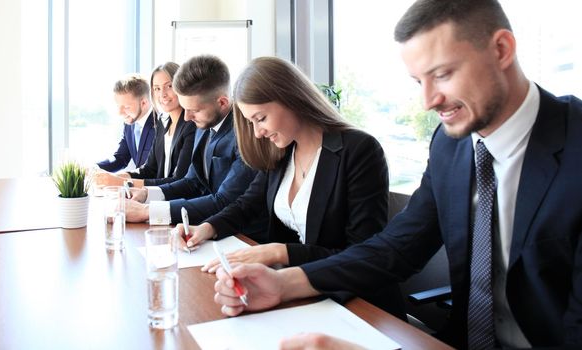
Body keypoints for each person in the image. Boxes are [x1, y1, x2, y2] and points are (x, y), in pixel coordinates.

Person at [214, 0, 582, 349]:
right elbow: (397, 247)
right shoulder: (451, 145)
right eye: (417, 81)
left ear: (501, 49)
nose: (428, 101)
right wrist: (283, 283)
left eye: (442, 75)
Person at [176, 57, 405, 319]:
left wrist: (278, 252)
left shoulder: (359, 150)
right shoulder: (283, 150)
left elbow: (361, 252)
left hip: (357, 304)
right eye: (251, 122)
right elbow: (247, 204)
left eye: (260, 118)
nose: (258, 132)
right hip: (306, 293)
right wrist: (205, 228)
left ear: (290, 98)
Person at [125, 55, 262, 232]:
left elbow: (224, 201)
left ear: (222, 102)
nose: (187, 117)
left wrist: (147, 211)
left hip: (243, 236)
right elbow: (192, 182)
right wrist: (147, 194)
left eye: (194, 110)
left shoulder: (247, 134)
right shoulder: (204, 122)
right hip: (206, 228)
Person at [94, 62, 196, 187]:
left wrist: (122, 182)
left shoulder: (191, 126)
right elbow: (149, 170)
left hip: (175, 201)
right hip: (157, 196)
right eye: (157, 88)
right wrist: (112, 177)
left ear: (181, 86)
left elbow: (180, 180)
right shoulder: (163, 123)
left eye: (169, 86)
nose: (162, 94)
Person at [97, 74, 156, 172]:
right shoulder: (130, 124)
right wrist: (96, 168)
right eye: (118, 106)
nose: (120, 113)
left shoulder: (160, 125)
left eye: (126, 107)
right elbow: (121, 158)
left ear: (144, 103)